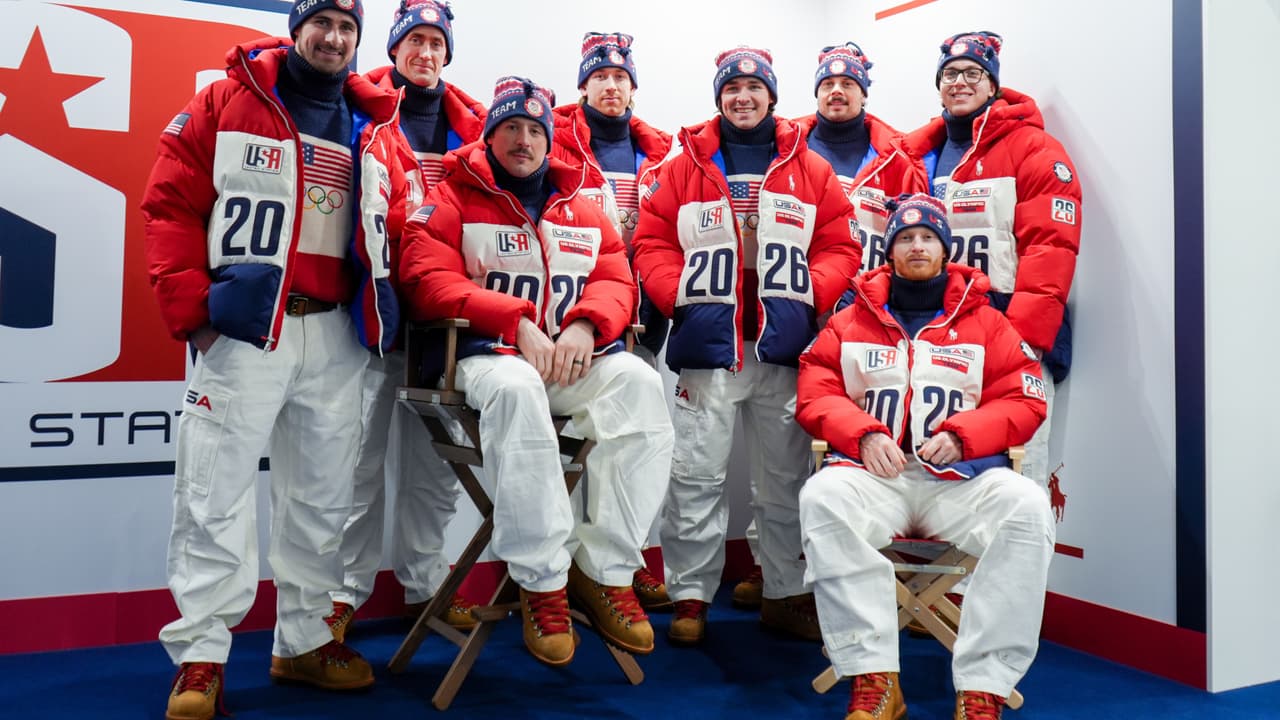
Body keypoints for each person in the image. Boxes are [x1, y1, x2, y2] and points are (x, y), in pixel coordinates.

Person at [141, 1, 405, 718]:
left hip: (338, 336)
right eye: (320, 22)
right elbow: (170, 207)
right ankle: (201, 656)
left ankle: (305, 641)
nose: (333, 38)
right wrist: (195, 316)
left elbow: (401, 226)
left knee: (323, 498)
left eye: (347, 28)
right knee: (213, 494)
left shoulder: (376, 123)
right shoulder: (229, 98)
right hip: (247, 332)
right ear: (297, 29)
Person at [397, 76, 675, 667]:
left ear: (550, 139)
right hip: (484, 360)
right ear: (490, 135)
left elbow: (616, 277)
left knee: (642, 388)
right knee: (519, 387)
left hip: (570, 359)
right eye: (510, 128)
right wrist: (512, 321)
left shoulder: (582, 203)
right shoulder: (450, 194)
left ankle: (604, 570)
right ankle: (542, 581)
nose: (523, 140)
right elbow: (425, 279)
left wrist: (586, 324)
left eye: (534, 129)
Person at [631, 46, 860, 646]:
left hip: (784, 344)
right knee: (696, 477)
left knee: (785, 481)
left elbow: (840, 245)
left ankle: (785, 592)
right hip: (710, 342)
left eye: (754, 88)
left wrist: (812, 294)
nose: (742, 97)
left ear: (772, 97)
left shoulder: (808, 167)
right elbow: (651, 242)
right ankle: (689, 596)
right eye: (731, 89)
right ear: (719, 98)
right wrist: (675, 293)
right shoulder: (685, 167)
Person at [796, 193, 1055, 720]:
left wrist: (964, 435)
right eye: (905, 238)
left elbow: (1026, 397)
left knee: (1028, 508)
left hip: (960, 482)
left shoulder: (988, 321)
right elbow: (815, 389)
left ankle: (984, 685)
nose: (916, 246)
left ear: (945, 248)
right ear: (889, 251)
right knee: (821, 497)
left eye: (928, 238)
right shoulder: (851, 318)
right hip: (875, 478)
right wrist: (864, 434)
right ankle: (874, 678)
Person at [733, 40, 926, 612]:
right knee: (785, 447)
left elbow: (920, 240)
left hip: (873, 319)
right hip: (802, 310)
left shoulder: (897, 157)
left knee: (864, 437)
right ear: (813, 92)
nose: (836, 91)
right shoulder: (787, 145)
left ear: (864, 91)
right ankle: (774, 565)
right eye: (826, 83)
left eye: (848, 83)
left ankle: (864, 575)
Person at [327, 0, 487, 643]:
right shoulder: (359, 108)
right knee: (356, 467)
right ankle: (337, 597)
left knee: (432, 470)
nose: (425, 53)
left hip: (444, 324)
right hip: (371, 316)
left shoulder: (474, 128)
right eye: (413, 41)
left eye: (436, 42)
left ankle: (428, 588)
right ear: (392, 49)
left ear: (448, 52)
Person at [902, 30, 1082, 488]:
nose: (959, 82)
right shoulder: (918, 155)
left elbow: (1050, 250)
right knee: (945, 472)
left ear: (993, 85)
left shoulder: (1034, 148)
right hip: (943, 337)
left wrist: (1021, 339)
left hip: (1012, 336)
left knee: (1021, 476)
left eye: (972, 73)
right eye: (949, 74)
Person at [549, 30, 676, 611]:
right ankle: (568, 560)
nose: (611, 85)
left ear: (633, 88)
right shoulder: (551, 138)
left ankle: (624, 559)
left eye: (621, 77)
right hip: (569, 311)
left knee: (635, 441)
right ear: (583, 84)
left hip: (639, 313)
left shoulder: (659, 156)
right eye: (600, 76)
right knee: (572, 446)